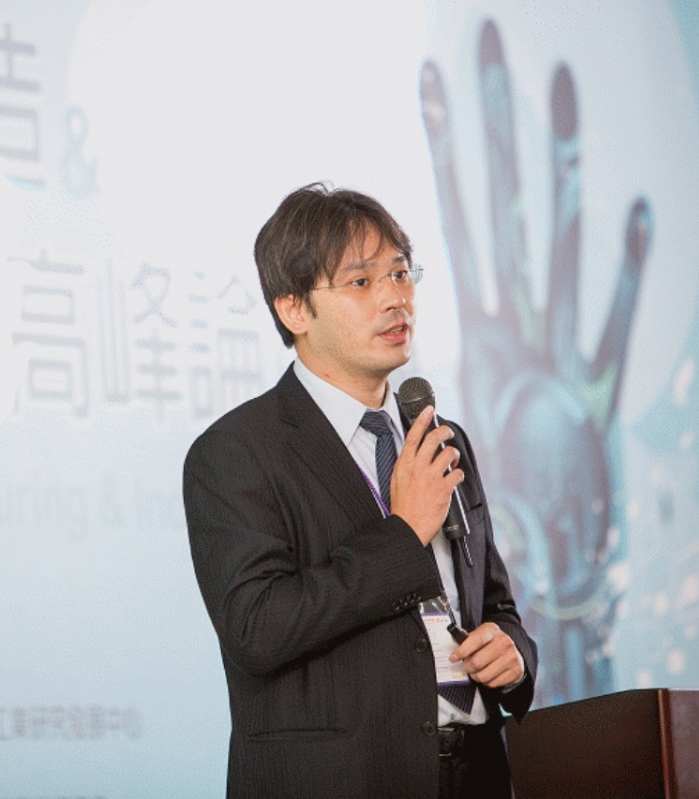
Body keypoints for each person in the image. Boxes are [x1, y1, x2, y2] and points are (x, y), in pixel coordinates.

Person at [183, 183, 537, 798]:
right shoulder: (236, 452)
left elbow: (493, 602)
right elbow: (257, 629)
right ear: (294, 309)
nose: (395, 298)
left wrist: (515, 656)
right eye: (362, 281)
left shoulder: (439, 436)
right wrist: (403, 534)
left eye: (400, 274)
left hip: (475, 773)